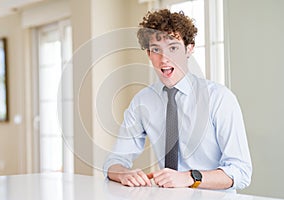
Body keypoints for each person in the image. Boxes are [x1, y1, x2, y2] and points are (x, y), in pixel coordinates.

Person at [103, 9, 252, 191]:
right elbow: (114, 161)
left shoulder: (219, 98)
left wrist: (190, 178)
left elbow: (241, 172)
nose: (164, 59)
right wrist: (123, 173)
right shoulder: (142, 101)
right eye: (156, 50)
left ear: (188, 49)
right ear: (149, 54)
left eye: (173, 48)